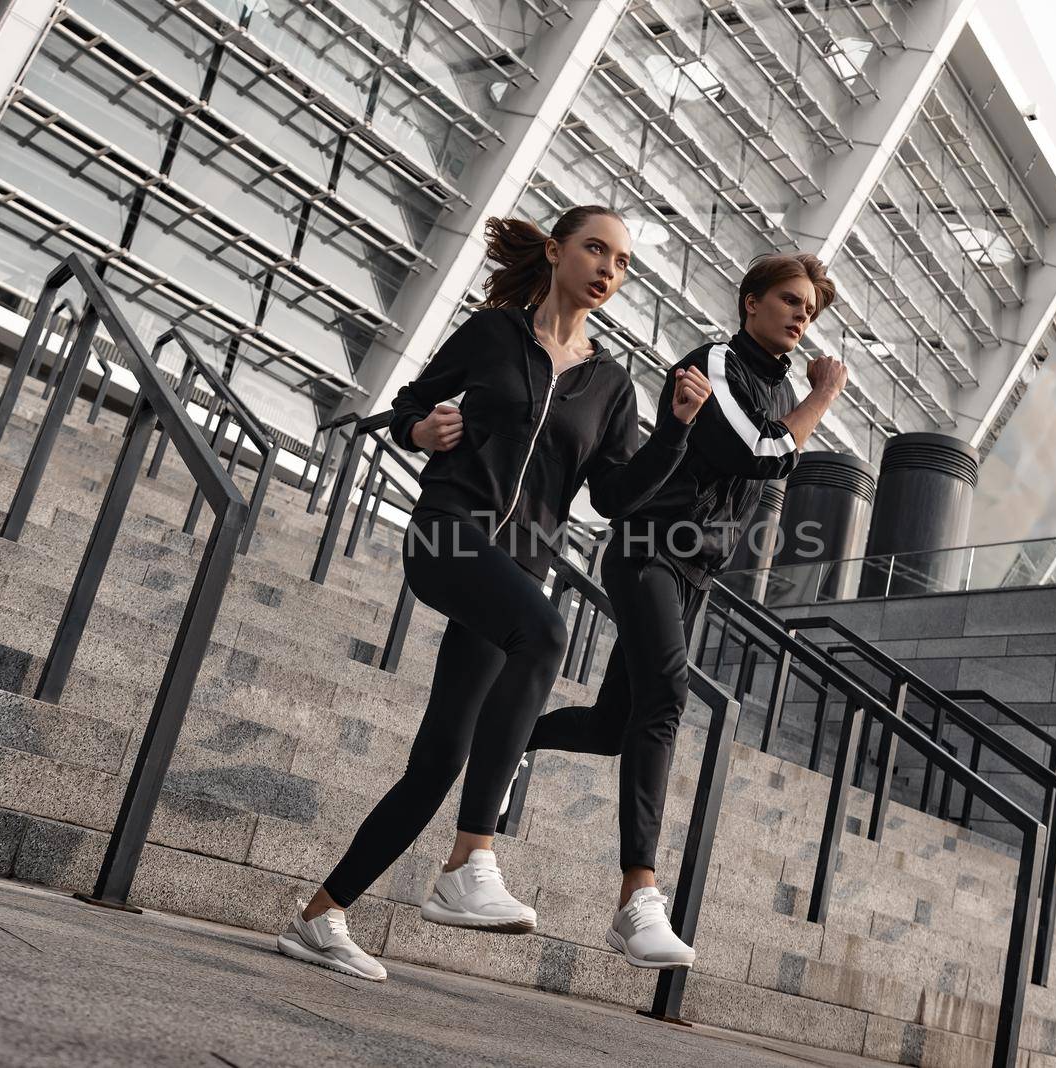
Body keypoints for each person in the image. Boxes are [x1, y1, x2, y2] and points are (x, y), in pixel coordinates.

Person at [274, 205, 714, 982]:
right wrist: (421, 431)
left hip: (518, 567)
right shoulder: (493, 334)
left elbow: (612, 496)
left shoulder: (611, 384)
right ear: (555, 252)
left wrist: (675, 430)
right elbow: (411, 400)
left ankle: (322, 915)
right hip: (448, 534)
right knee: (547, 636)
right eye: (595, 249)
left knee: (440, 757)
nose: (609, 269)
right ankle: (471, 855)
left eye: (621, 262)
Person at [525, 253, 847, 970]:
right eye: (790, 301)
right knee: (666, 696)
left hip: (695, 570)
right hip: (647, 551)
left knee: (615, 727)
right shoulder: (716, 363)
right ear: (750, 301)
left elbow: (766, 458)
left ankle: (511, 734)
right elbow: (762, 455)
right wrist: (823, 398)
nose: (801, 316)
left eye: (810, 310)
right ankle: (638, 897)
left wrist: (803, 398)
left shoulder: (776, 382)